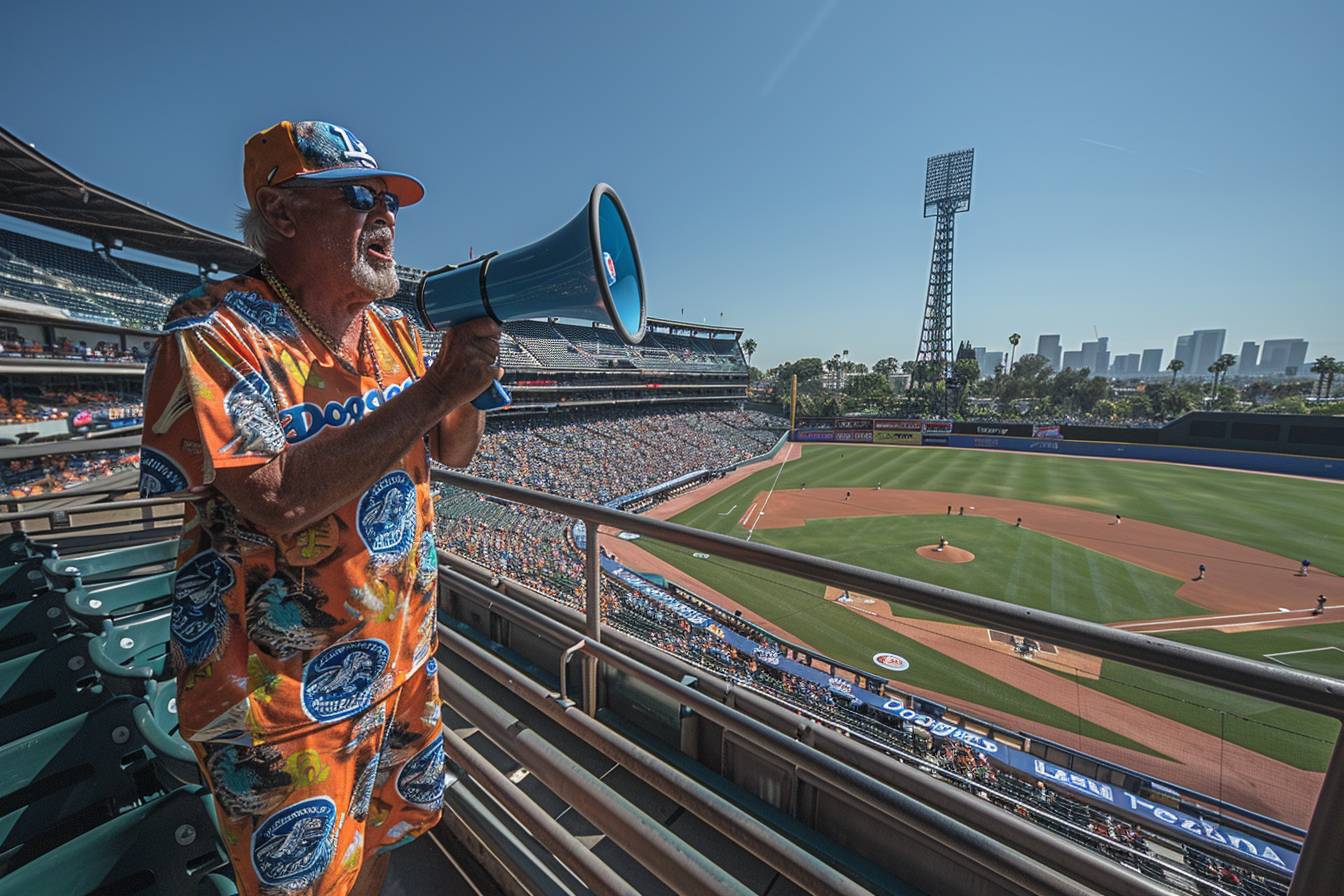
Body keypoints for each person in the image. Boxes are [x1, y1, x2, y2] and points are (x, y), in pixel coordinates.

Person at [138, 121, 502, 896]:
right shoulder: (212, 327)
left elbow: (457, 449)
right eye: (361, 197)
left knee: (375, 848)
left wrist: (467, 384)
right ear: (282, 213)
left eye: (392, 201)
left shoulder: (396, 334)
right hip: (280, 697)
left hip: (402, 663)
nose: (387, 215)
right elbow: (275, 497)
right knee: (305, 885)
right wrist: (437, 389)